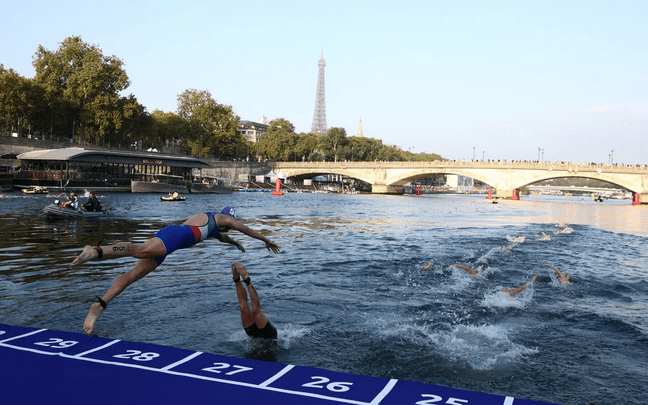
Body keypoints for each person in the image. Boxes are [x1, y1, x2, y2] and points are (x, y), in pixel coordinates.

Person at [70, 207, 281, 334]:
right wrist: (268, 240)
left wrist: (235, 243)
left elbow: (224, 236)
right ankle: (95, 251)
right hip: (176, 236)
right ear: (228, 218)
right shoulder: (223, 218)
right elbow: (247, 230)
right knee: (139, 250)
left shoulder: (216, 228)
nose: (230, 227)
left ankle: (99, 305)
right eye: (230, 223)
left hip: (173, 241)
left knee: (133, 276)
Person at [231, 262, 277, 340]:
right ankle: (237, 279)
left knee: (255, 312)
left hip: (269, 336)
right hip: (256, 336)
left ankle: (247, 280)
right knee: (243, 308)